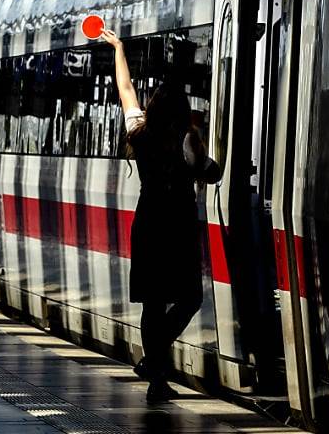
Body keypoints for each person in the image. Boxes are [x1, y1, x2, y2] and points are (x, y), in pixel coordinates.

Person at [100, 28, 221, 403]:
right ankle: (153, 361)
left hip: (148, 225)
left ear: (153, 109)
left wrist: (119, 49)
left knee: (153, 303)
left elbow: (125, 91)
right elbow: (212, 172)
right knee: (188, 299)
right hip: (179, 228)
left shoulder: (140, 133)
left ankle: (156, 373)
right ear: (183, 113)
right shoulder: (188, 141)